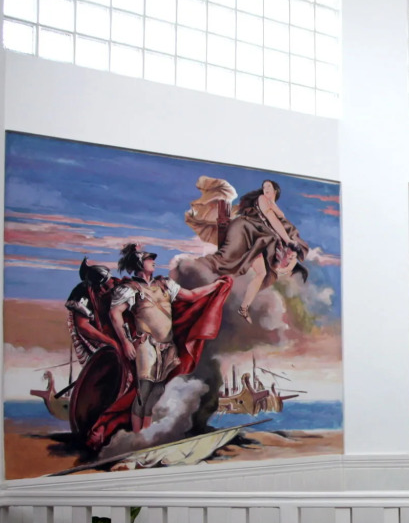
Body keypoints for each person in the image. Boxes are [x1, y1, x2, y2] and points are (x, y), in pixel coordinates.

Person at [108, 244, 230, 433]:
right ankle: (137, 435)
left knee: (158, 391)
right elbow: (115, 313)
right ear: (139, 264)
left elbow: (191, 296)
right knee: (144, 390)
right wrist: (125, 342)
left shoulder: (164, 284)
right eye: (149, 259)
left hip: (167, 345)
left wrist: (215, 286)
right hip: (145, 344)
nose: (153, 261)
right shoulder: (130, 289)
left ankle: (145, 433)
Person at [194, 178, 309, 323]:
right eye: (264, 187)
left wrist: (288, 260)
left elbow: (280, 223)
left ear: (275, 190)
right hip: (247, 232)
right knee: (227, 263)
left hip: (257, 240)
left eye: (269, 186)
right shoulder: (262, 199)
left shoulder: (274, 206)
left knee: (261, 273)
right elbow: (272, 220)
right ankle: (202, 284)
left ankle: (243, 308)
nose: (265, 189)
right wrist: (287, 240)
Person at [65, 257, 120, 362]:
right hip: (96, 338)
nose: (104, 290)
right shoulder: (83, 292)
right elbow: (83, 325)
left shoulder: (118, 284)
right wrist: (111, 342)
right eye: (101, 287)